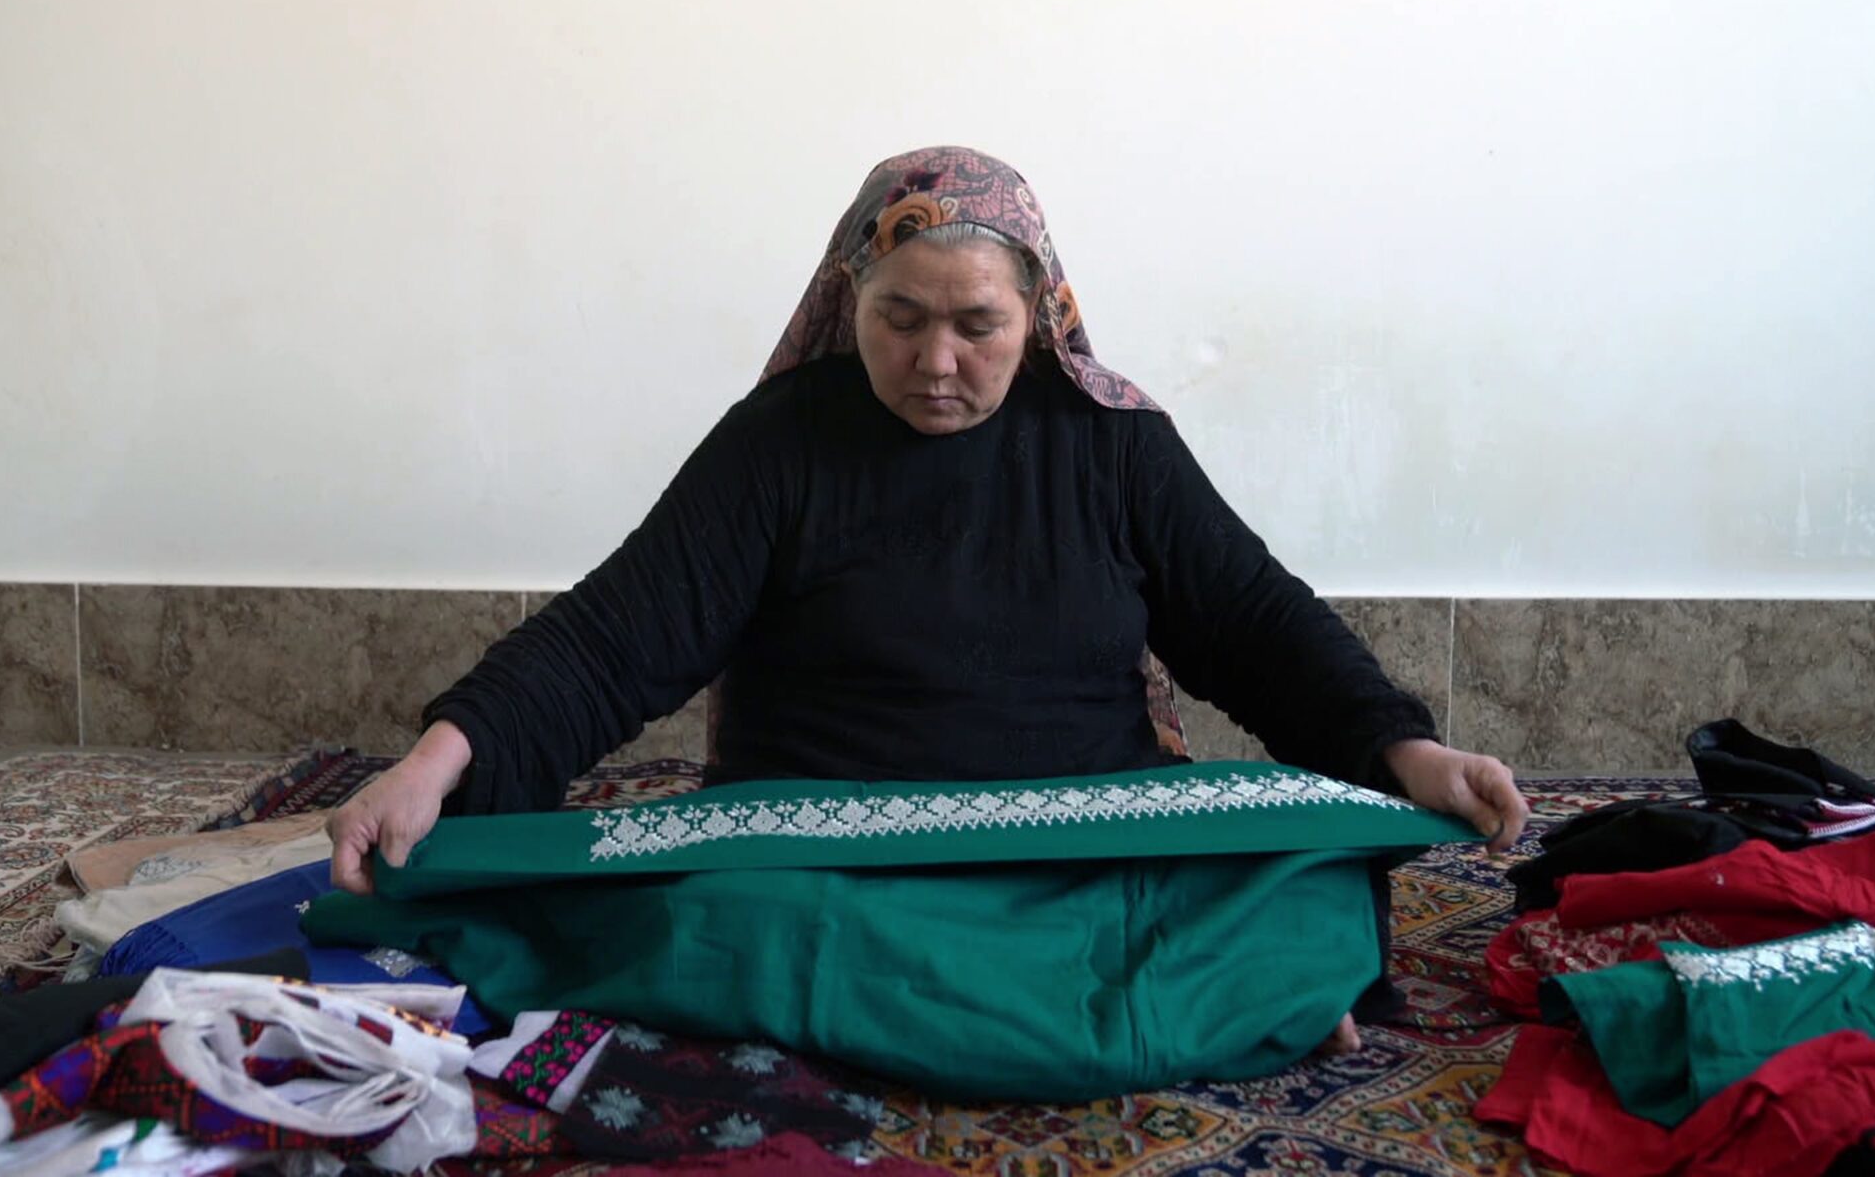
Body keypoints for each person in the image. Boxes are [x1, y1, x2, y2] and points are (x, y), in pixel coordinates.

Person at [327, 146, 1529, 1051]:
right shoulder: (780, 443)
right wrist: (438, 762)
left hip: (1082, 845)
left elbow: (1257, 624)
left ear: (1037, 313)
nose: (936, 362)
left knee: (1304, 878)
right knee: (737, 922)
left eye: (977, 325)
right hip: (828, 864)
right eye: (899, 319)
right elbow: (616, 633)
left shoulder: (1112, 442)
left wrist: (1407, 752)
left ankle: (1182, 983)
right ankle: (1206, 1008)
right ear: (849, 296)